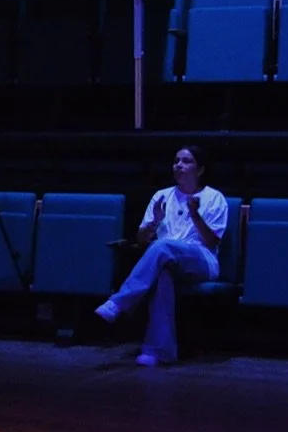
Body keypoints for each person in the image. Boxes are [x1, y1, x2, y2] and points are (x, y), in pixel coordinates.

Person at [93, 145, 227, 368]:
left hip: (202, 260)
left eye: (186, 161)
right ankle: (158, 350)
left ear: (200, 170)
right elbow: (142, 239)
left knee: (162, 246)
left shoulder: (214, 198)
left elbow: (212, 242)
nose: (179, 165)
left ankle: (119, 302)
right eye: (176, 161)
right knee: (163, 271)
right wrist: (155, 220)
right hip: (165, 259)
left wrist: (195, 214)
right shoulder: (161, 196)